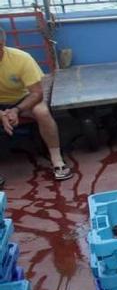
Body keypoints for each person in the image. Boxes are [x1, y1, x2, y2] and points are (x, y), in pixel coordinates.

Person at [0, 27, 72, 181]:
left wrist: (16, 110)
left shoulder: (21, 58)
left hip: (22, 98)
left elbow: (36, 93)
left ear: (3, 44)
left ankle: (57, 159)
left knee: (42, 112)